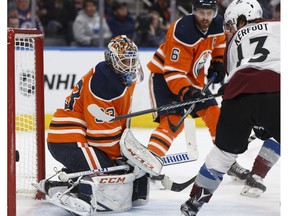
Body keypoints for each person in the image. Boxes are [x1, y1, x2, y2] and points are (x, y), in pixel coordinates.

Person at [32, 35, 163, 215]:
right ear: (111, 59)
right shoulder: (103, 85)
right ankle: (79, 194)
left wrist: (126, 156)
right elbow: (101, 136)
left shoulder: (122, 76)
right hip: (68, 140)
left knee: (118, 170)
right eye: (124, 60)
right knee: (109, 174)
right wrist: (126, 158)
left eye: (133, 60)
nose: (130, 65)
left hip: (79, 139)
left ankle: (59, 184)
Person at [180, 0, 280, 215]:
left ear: (243, 19)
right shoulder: (280, 25)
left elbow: (236, 75)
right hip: (278, 90)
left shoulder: (233, 42)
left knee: (223, 155)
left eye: (232, 24)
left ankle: (193, 203)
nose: (230, 29)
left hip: (237, 97)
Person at [146, 0, 226, 158]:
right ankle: (149, 162)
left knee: (214, 115)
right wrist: (188, 92)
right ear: (194, 11)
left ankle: (224, 159)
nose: (205, 17)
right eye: (201, 13)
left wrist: (218, 61)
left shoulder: (218, 25)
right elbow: (172, 72)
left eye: (209, 13)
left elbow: (219, 43)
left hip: (192, 79)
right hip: (164, 77)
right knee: (173, 121)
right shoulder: (183, 31)